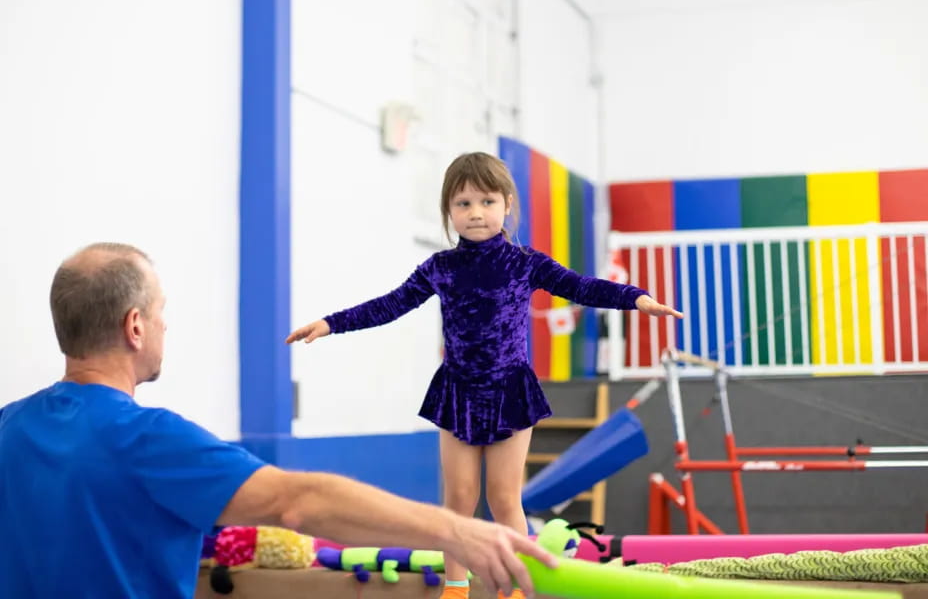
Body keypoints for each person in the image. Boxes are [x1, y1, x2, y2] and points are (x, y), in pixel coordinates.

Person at [0, 243, 557, 599]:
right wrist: (455, 528)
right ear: (135, 327)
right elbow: (298, 501)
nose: (166, 326)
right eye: (161, 311)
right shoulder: (145, 438)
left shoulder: (9, 427)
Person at [287, 152, 684, 599]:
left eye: (487, 201)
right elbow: (388, 305)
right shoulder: (440, 268)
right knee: (458, 498)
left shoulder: (524, 262)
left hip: (509, 390)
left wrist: (636, 298)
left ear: (507, 204)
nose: (475, 212)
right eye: (463, 204)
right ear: (448, 211)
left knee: (503, 499)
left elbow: (581, 286)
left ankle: (514, 587)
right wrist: (331, 323)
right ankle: (456, 587)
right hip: (457, 391)